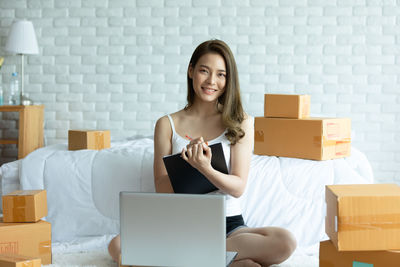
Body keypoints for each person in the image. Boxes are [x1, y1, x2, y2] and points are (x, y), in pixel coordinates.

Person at [108, 39, 297, 266]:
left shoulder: (241, 122)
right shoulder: (167, 124)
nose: (211, 81)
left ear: (228, 80)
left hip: (229, 227)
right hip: (180, 224)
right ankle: (216, 259)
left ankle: (189, 256)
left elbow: (237, 187)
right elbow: (162, 189)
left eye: (221, 75)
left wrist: (205, 167)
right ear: (191, 71)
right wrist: (186, 164)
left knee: (285, 241)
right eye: (204, 71)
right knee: (117, 245)